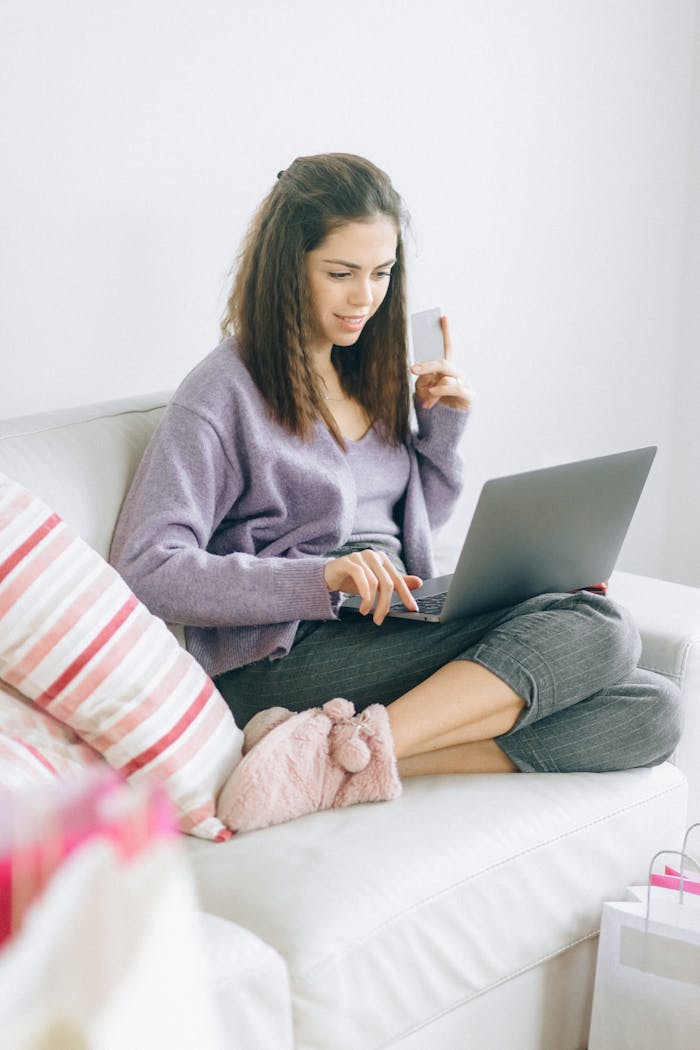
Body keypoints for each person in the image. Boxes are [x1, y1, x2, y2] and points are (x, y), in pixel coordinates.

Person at [110, 152, 681, 834]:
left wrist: (440, 431)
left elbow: (410, 531)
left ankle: (339, 760)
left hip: (388, 621)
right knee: (602, 630)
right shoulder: (223, 391)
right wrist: (317, 578)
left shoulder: (366, 371)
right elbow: (146, 566)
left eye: (381, 274)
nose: (364, 298)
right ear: (285, 270)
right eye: (340, 273)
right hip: (284, 654)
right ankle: (350, 749)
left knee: (653, 712)